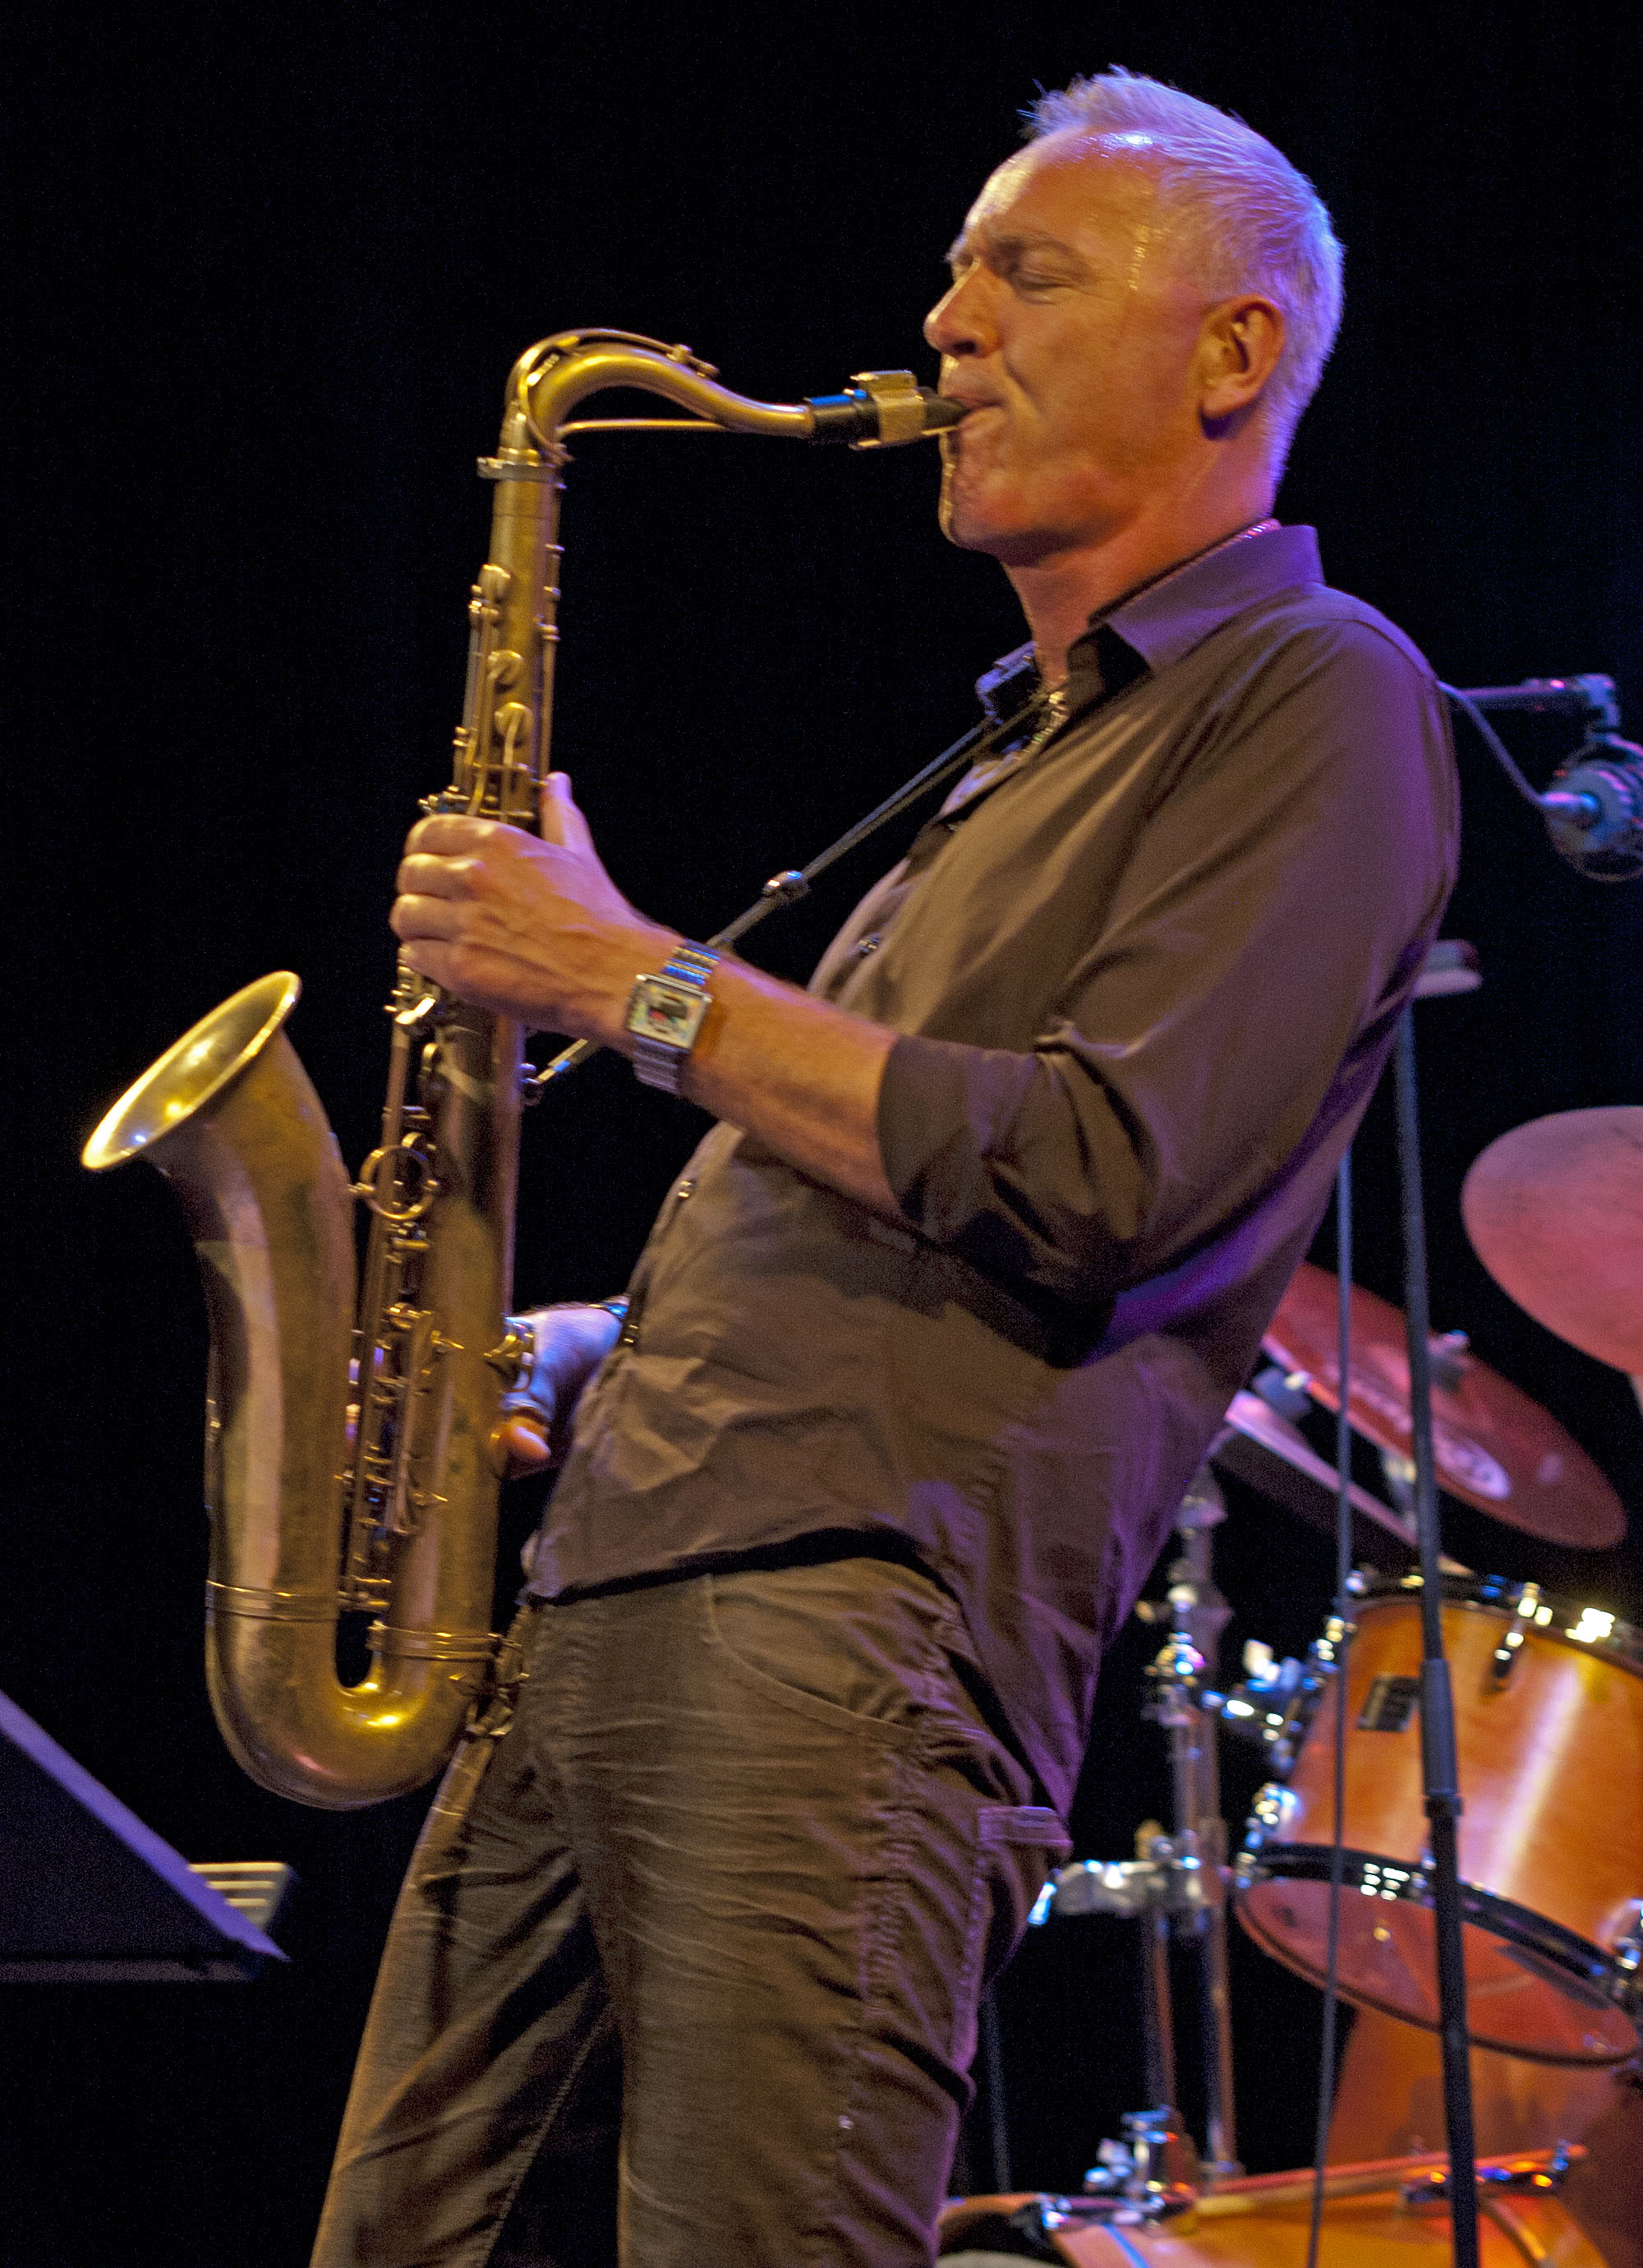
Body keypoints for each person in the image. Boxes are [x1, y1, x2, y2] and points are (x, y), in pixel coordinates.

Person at [312, 68, 1457, 2268]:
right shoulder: (1009, 759)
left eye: (1019, 273)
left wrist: (635, 982)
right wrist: (586, 1343)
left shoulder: (1320, 694)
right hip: (611, 1608)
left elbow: (1108, 1170)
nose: (942, 327)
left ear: (1235, 350)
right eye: (950, 276)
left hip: (847, 1634)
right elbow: (881, 1199)